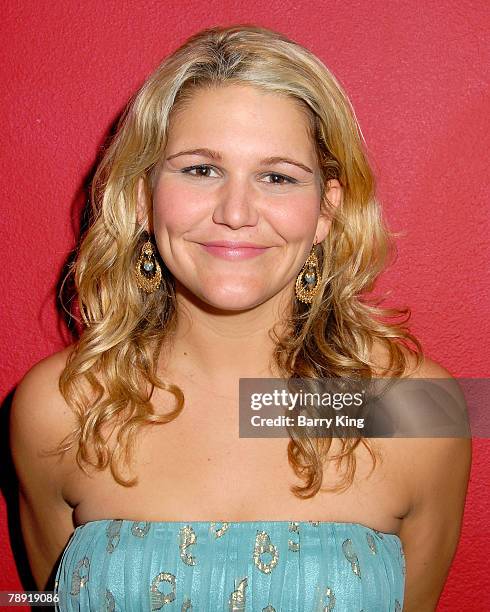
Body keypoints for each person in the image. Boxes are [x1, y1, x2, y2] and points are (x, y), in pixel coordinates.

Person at [9, 24, 471, 611]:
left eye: (276, 177)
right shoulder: (59, 406)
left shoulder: (418, 408)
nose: (235, 212)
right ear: (146, 193)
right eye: (201, 170)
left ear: (325, 209)